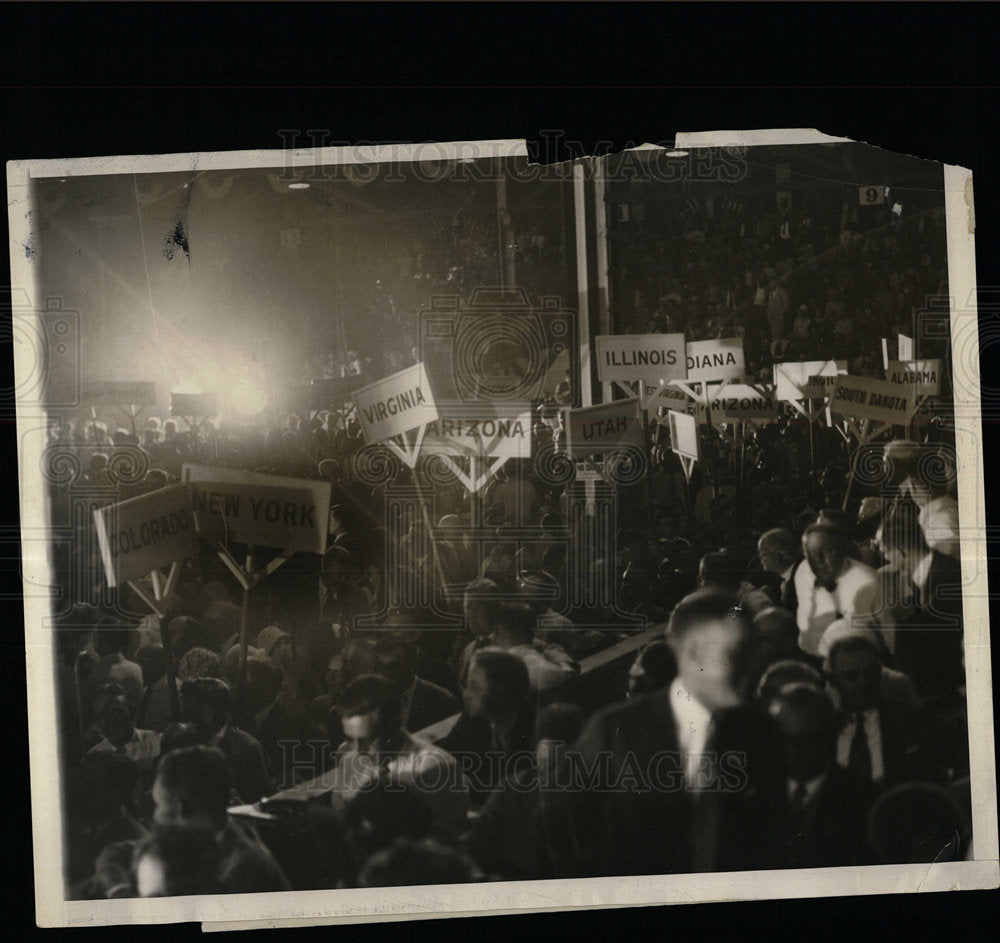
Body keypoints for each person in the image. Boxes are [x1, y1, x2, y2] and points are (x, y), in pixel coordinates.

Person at [555, 590, 771, 877]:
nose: (751, 667)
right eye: (736, 653)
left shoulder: (761, 731)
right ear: (691, 651)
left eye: (751, 651)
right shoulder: (615, 731)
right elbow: (557, 824)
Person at [89, 745, 290, 897]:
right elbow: (116, 852)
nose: (155, 816)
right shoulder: (222, 830)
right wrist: (119, 888)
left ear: (180, 808)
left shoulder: (244, 874)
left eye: (159, 805)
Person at [334, 674, 470, 841]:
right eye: (349, 739)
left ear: (396, 724)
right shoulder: (349, 761)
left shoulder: (436, 768)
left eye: (367, 740)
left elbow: (442, 847)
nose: (357, 750)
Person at [769, 683, 877, 868]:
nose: (796, 751)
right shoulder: (756, 795)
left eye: (808, 739)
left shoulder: (863, 798)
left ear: (830, 734)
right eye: (787, 739)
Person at [824, 629, 942, 788]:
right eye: (851, 676)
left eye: (870, 673)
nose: (863, 684)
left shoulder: (911, 721)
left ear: (880, 673)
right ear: (834, 681)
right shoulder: (823, 729)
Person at [876, 503, 965, 709]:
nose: (885, 559)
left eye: (885, 552)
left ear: (901, 552)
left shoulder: (946, 577)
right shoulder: (930, 572)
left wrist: (909, 618)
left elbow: (944, 643)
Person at [440, 649, 536, 809]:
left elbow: (519, 788)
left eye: (474, 687)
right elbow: (446, 759)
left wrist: (468, 784)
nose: (466, 694)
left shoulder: (534, 726)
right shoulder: (472, 717)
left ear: (500, 692)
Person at [794, 522, 886, 657]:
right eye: (811, 553)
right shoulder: (803, 571)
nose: (818, 559)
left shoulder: (867, 581)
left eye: (827, 550)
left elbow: (887, 638)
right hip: (813, 656)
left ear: (842, 550)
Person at [179, 678, 272, 803]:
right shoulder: (184, 742)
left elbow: (256, 805)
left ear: (208, 713)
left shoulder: (247, 750)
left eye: (188, 711)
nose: (183, 720)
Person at [757, 528, 802, 610]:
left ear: (777, 556)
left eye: (763, 554)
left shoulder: (800, 578)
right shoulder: (787, 580)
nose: (760, 559)